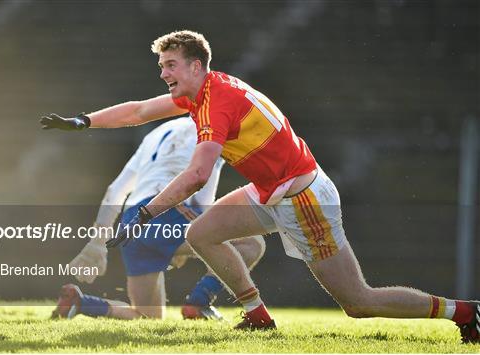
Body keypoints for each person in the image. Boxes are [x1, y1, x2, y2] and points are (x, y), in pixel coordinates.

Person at [41, 30, 479, 342]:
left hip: (303, 198)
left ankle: (463, 312)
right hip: (273, 190)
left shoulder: (216, 105)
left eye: (170, 65)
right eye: (161, 66)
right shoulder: (201, 91)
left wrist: (146, 213)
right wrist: (83, 121)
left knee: (358, 302)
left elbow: (196, 175)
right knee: (202, 233)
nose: (163, 73)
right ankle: (257, 316)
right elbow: (138, 111)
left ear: (196, 65)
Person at [49, 116, 266, 320]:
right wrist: (195, 233)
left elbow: (115, 191)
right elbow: (201, 185)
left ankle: (81, 303)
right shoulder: (215, 128)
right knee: (251, 243)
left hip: (131, 220)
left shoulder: (156, 133)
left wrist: (96, 243)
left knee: (148, 317)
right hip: (168, 209)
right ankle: (200, 302)